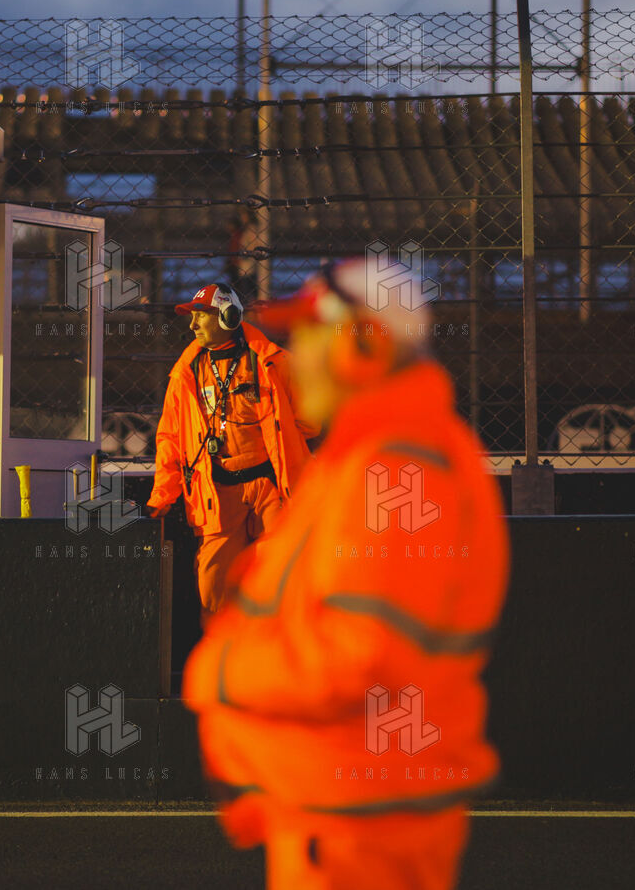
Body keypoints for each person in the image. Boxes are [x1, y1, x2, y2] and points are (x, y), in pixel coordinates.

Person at [182, 261, 510, 890]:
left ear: (364, 347)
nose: (295, 357)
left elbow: (357, 657)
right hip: (338, 817)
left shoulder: (399, 468)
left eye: (310, 336)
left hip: (359, 827)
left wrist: (218, 673)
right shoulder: (368, 456)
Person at [147, 282, 318, 615]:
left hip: (273, 489)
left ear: (228, 317)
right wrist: (161, 497)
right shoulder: (186, 373)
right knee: (212, 588)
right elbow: (170, 438)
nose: (193, 325)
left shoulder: (272, 362)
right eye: (192, 317)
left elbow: (311, 424)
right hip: (218, 493)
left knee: (281, 580)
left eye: (201, 316)